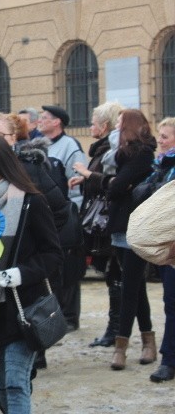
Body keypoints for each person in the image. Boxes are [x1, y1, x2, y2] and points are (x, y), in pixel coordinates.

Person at [0, 135, 62, 414]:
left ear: (5, 164)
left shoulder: (31, 200)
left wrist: (21, 273)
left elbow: (54, 254)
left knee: (18, 382)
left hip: (22, 309)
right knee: (4, 385)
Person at [105, 109, 157, 370]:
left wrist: (117, 184)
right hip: (122, 226)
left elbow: (116, 186)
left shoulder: (141, 152)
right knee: (136, 286)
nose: (115, 126)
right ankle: (149, 341)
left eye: (119, 122)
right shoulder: (124, 153)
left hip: (135, 225)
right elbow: (116, 186)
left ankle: (120, 346)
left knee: (129, 288)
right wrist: (116, 184)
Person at [69, 102, 123, 348]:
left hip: (109, 223)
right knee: (114, 277)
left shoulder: (111, 149)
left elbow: (109, 183)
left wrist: (86, 175)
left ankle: (116, 331)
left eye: (93, 122)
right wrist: (85, 178)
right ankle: (115, 330)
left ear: (104, 126)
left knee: (116, 276)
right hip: (105, 222)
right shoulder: (103, 149)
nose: (90, 126)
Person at [131, 117, 175, 381]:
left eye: (166, 136)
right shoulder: (159, 166)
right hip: (170, 248)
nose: (160, 140)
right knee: (171, 304)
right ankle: (169, 359)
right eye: (160, 135)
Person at [38, 105, 87, 332]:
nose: (40, 120)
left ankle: (70, 317)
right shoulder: (41, 145)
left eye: (45, 117)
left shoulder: (70, 146)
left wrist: (72, 216)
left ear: (57, 122)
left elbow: (76, 184)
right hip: (45, 217)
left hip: (65, 216)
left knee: (69, 267)